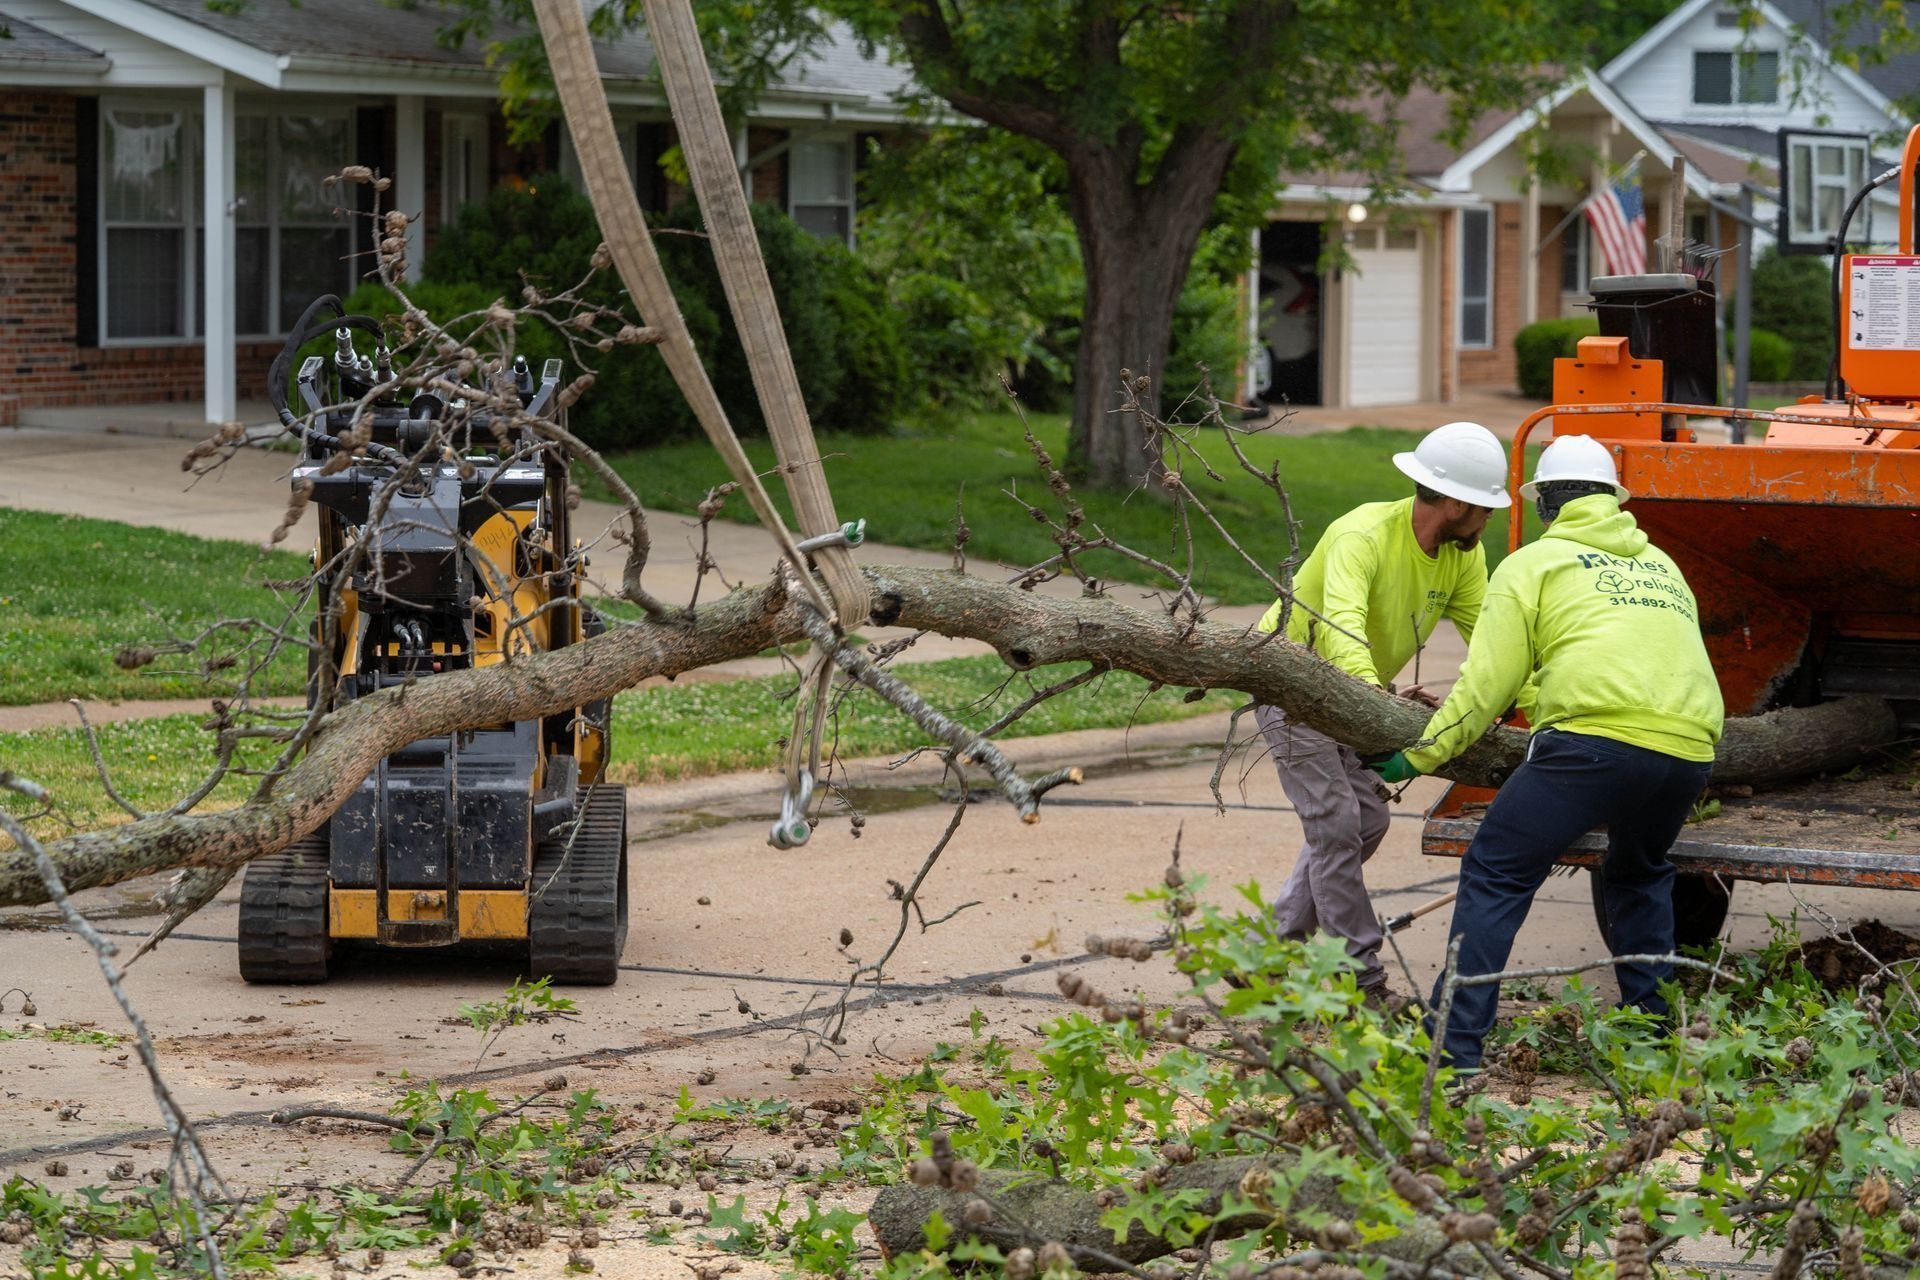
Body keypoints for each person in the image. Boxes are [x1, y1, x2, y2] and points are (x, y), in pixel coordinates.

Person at [1364, 435, 1724, 1068]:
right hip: (1688, 752)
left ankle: (1454, 1053)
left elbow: (1485, 685)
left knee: (1496, 872)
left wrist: (1416, 756)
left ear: (1545, 504)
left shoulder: (1533, 564)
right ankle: (1652, 1043)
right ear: (1612, 501)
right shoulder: (1662, 565)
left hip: (1591, 746)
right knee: (1639, 875)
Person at [1253, 421, 1510, 1006]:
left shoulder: (1462, 555)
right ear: (1454, 502)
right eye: (1485, 508)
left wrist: (1530, 699)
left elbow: (1494, 642)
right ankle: (1359, 979)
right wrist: (1377, 709)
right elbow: (1342, 628)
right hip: (1289, 680)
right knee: (1336, 825)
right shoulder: (1361, 534)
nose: (1488, 520)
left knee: (1366, 822)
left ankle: (1271, 957)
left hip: (1353, 695)